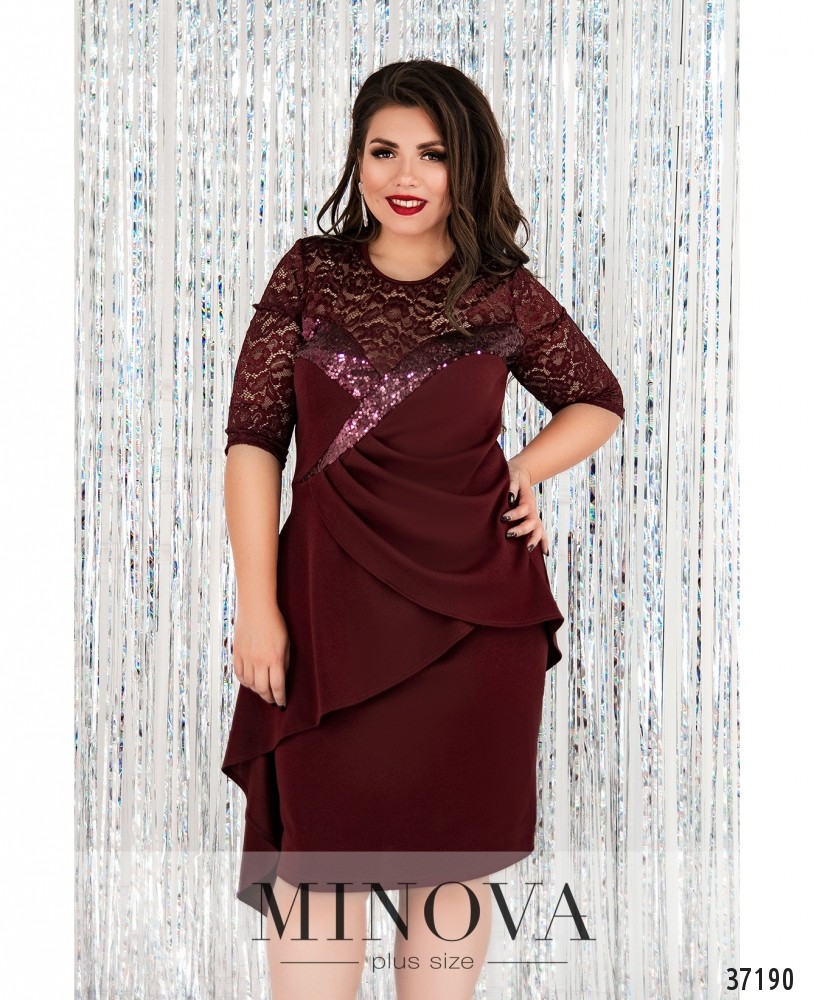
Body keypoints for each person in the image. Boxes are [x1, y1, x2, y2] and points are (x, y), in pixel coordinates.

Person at [220, 59, 623, 1000]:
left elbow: (596, 400)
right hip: (325, 616)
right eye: (384, 150)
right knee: (316, 874)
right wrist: (256, 607)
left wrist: (523, 470)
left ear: (466, 165)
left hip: (478, 626)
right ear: (356, 160)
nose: (405, 175)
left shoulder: (503, 291)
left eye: (432, 154)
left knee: (449, 875)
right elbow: (253, 444)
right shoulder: (311, 272)